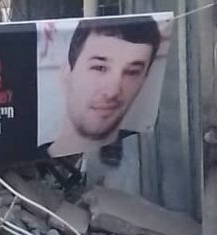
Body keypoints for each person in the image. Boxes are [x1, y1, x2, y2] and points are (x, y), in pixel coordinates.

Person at [44, 17, 161, 158]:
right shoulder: (28, 162)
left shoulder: (144, 149)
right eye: (100, 68)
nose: (113, 92)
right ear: (66, 73)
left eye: (132, 72)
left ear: (145, 80)